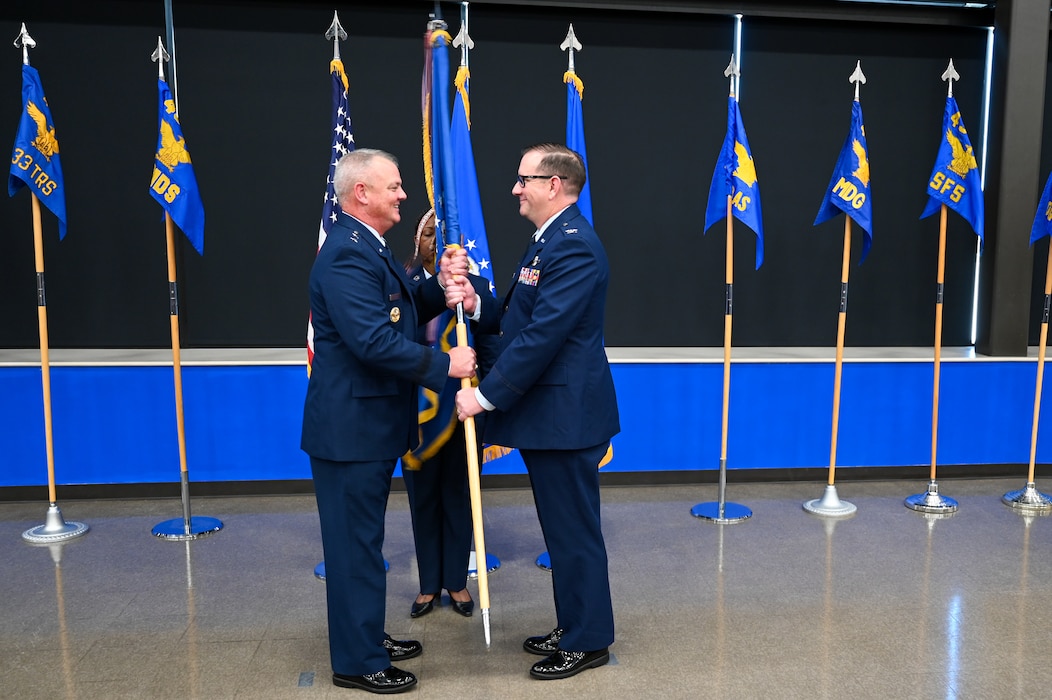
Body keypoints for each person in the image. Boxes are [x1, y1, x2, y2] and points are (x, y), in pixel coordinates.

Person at [301, 149, 476, 695]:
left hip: (367, 428)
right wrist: (445, 365)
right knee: (354, 549)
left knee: (364, 544)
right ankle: (358, 663)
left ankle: (367, 636)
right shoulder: (347, 256)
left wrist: (437, 289)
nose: (403, 195)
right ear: (362, 194)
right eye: (395, 187)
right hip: (351, 432)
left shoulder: (364, 250)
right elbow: (372, 340)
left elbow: (395, 312)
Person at [447, 143, 620, 681]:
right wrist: (476, 304)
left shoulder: (573, 247)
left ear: (554, 185)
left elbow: (543, 339)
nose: (516, 188)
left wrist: (484, 395)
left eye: (525, 179)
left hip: (566, 416)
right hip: (552, 415)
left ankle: (588, 640)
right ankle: (574, 624)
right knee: (561, 530)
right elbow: (522, 318)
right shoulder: (547, 242)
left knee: (573, 532)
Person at [401, 208, 496, 620]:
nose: (435, 245)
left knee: (458, 495)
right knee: (423, 499)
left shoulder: (473, 286)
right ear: (417, 244)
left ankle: (456, 581)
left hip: (463, 410)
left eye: (442, 239)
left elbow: (492, 334)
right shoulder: (404, 285)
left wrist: (488, 394)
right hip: (418, 412)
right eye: (427, 238)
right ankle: (427, 586)